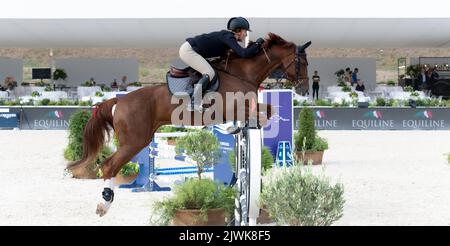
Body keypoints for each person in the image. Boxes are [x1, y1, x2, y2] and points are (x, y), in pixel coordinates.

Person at [179, 17, 265, 111]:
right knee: (209, 73)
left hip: (192, 50)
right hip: (188, 50)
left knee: (214, 72)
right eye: (245, 31)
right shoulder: (228, 37)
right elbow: (243, 53)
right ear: (239, 30)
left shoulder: (228, 38)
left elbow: (240, 54)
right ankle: (193, 103)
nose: (245, 35)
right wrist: (257, 44)